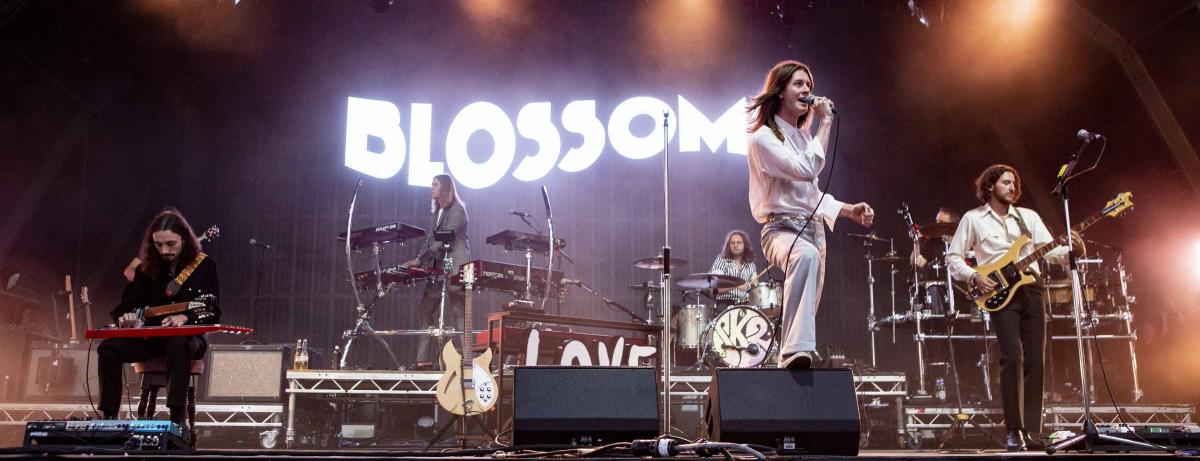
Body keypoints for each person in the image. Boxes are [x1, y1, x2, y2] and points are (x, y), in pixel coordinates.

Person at [746, 60, 875, 370]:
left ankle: (789, 362)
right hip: (781, 229)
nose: (806, 91)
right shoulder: (763, 138)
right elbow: (805, 170)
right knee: (804, 256)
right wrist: (826, 123)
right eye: (799, 84)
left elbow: (810, 194)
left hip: (814, 228)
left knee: (807, 302)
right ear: (779, 91)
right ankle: (792, 354)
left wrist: (847, 210)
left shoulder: (804, 138)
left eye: (809, 85)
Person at [945, 164, 1082, 451]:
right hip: (999, 293)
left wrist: (1072, 249)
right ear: (990, 186)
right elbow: (953, 257)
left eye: (1013, 183)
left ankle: (1033, 431)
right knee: (1012, 357)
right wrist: (974, 276)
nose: (1011, 187)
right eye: (1005, 182)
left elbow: (1050, 250)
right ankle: (1013, 431)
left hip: (1031, 288)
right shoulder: (974, 219)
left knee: (1035, 360)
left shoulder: (1027, 217)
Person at [98, 208, 219, 426]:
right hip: (151, 340)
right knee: (108, 347)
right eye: (158, 244)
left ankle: (175, 420)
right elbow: (126, 306)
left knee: (178, 343)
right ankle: (108, 418)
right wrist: (127, 318)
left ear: (184, 238)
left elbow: (212, 309)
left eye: (170, 244)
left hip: (188, 341)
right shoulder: (146, 269)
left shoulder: (204, 265)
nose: (164, 250)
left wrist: (186, 318)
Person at [404, 174, 469, 369]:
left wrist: (424, 258)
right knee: (425, 310)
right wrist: (418, 259)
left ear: (445, 187)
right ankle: (423, 361)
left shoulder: (458, 210)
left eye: (435, 184)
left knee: (459, 313)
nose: (431, 187)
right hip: (437, 267)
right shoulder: (436, 212)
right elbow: (430, 240)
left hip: (455, 266)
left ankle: (468, 359)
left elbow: (443, 240)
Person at [709, 230, 757, 307]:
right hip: (724, 304)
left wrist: (755, 284)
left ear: (745, 245)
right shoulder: (721, 261)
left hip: (745, 305)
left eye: (739, 242)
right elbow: (716, 289)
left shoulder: (750, 264)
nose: (735, 245)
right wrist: (736, 286)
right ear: (728, 246)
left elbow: (755, 286)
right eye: (732, 243)